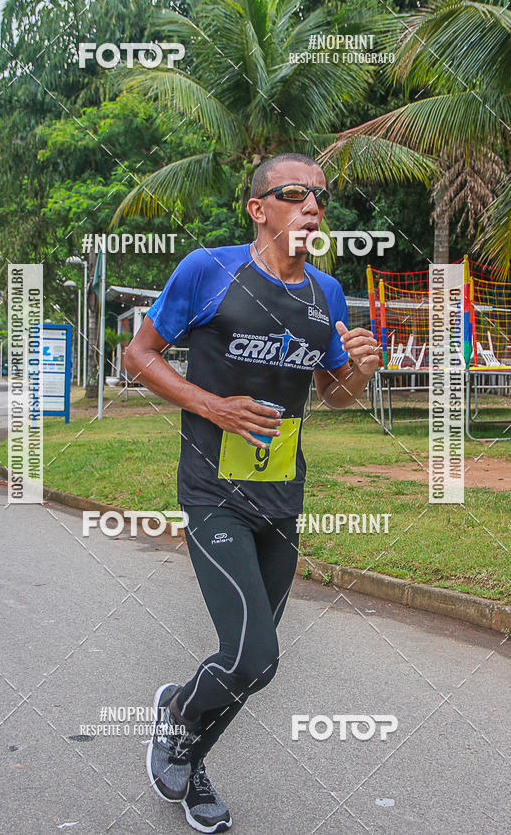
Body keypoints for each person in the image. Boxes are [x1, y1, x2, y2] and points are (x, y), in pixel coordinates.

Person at [124, 152, 380, 833]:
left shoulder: (325, 293)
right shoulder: (210, 270)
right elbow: (139, 355)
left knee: (253, 664)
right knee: (252, 654)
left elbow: (336, 396)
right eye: (294, 193)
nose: (312, 206)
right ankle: (179, 713)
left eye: (320, 196)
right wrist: (214, 407)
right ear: (258, 208)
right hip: (213, 490)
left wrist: (361, 370)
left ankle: (191, 759)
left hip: (282, 495)